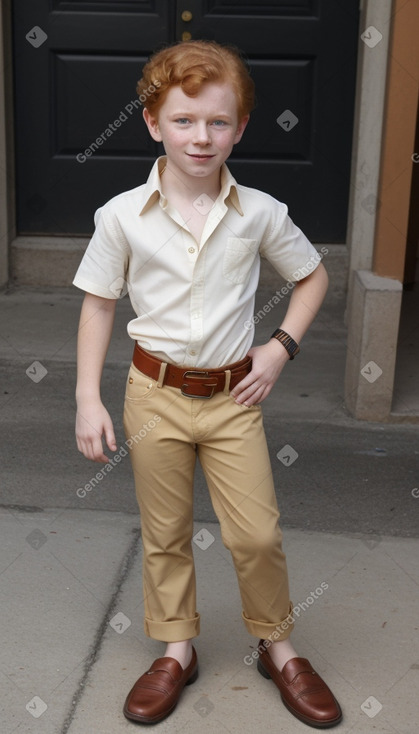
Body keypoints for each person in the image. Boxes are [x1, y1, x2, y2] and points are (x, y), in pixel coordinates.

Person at [73, 40, 342, 729]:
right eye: (185, 120)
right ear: (153, 122)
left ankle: (276, 645)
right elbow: (99, 303)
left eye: (218, 122)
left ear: (241, 128)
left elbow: (311, 276)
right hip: (152, 396)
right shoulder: (121, 216)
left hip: (232, 400)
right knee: (163, 532)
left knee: (254, 534)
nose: (202, 136)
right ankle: (176, 648)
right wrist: (86, 397)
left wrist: (278, 349)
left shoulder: (258, 213)